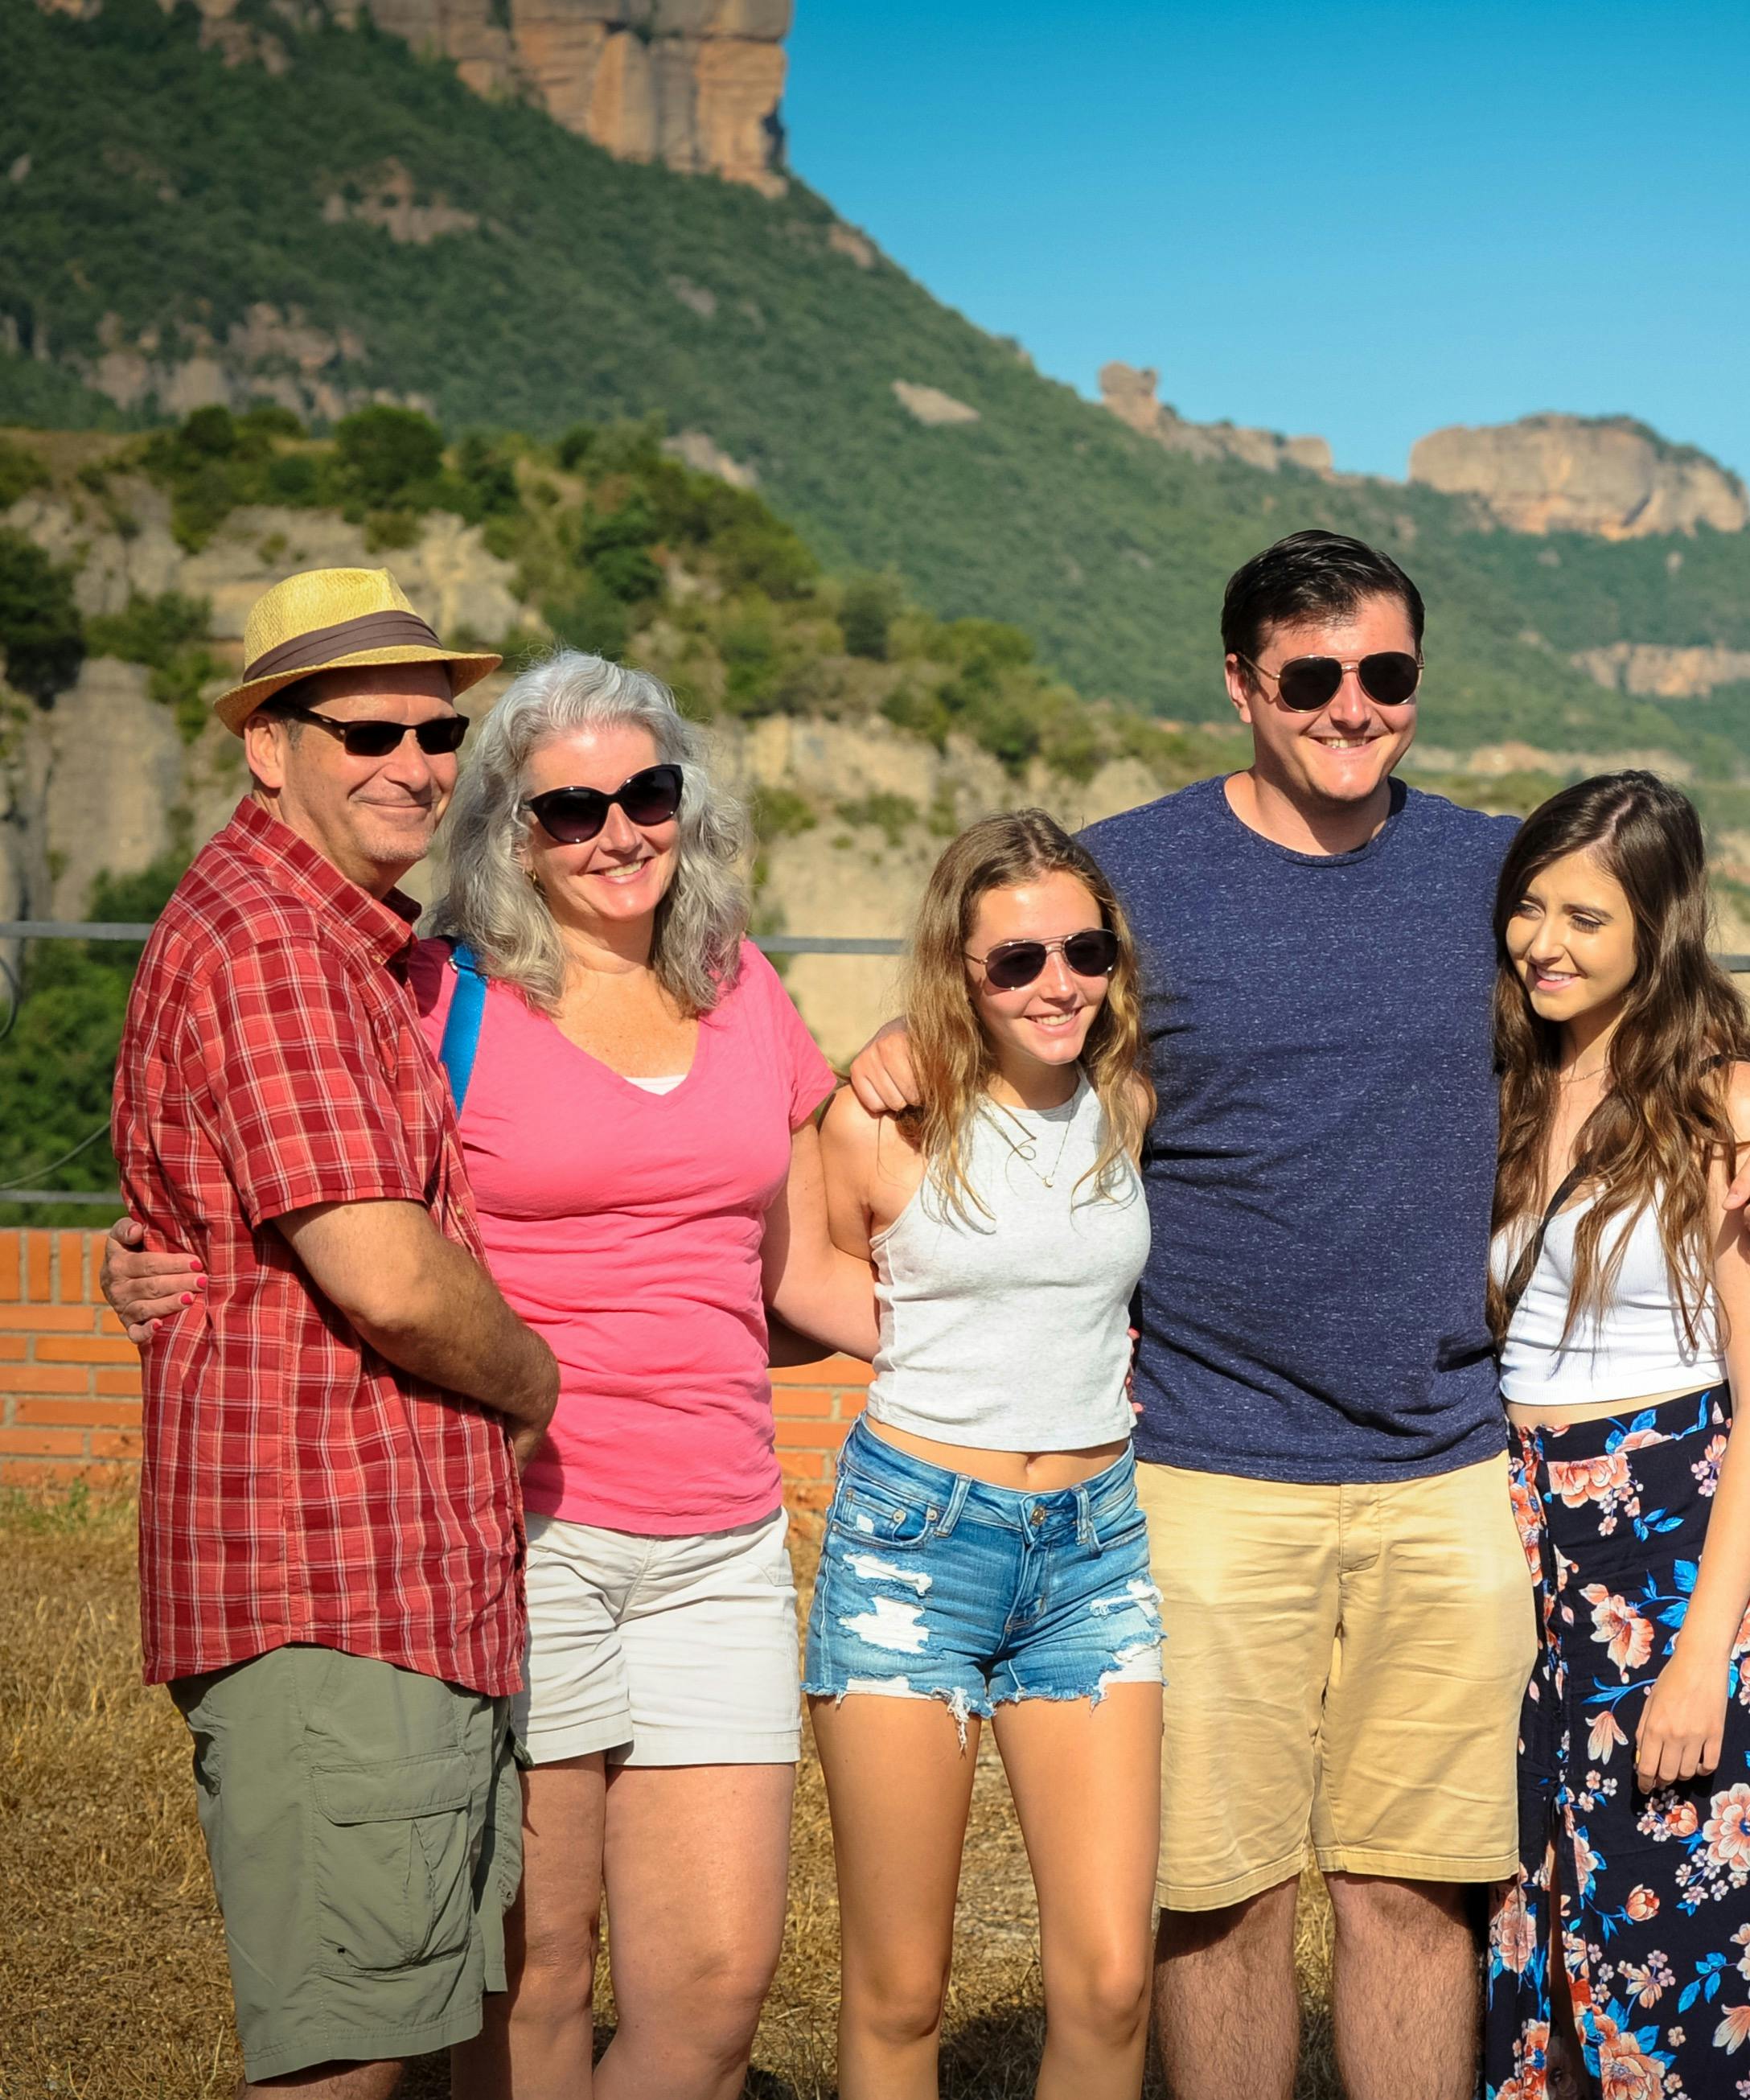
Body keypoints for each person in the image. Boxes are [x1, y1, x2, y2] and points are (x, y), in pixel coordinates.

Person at [846, 530, 1750, 2100]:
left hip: (1451, 1474)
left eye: (1385, 672)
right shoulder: (1130, 881)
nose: (1351, 705)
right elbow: (1001, 996)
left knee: (1420, 1892)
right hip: (1203, 1471)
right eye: (1310, 676)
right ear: (1241, 685)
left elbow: (1650, 995)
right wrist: (897, 1049)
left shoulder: (1492, 876)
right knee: (1215, 1898)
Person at [110, 649, 851, 2100]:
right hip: (522, 1532)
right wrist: (154, 1251)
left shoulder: (742, 985)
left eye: (647, 794)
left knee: (715, 1994)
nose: (617, 833)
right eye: (571, 809)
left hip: (722, 1542)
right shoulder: (434, 994)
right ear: (511, 831)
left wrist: (1059, 1321)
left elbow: (802, 1274)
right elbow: (284, 1163)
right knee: (535, 1983)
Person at [109, 566, 557, 2098]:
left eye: (438, 733)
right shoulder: (279, 953)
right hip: (332, 1578)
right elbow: (385, 1275)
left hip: (376, 1578)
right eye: (367, 732)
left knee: (398, 2018)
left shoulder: (337, 939)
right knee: (350, 2051)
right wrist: (532, 1383)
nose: (414, 765)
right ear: (267, 744)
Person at [797, 810, 1164, 2100]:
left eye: (1084, 950)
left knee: (1113, 1984)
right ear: (958, 969)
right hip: (914, 1552)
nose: (1058, 983)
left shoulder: (1127, 1102)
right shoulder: (879, 1120)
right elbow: (796, 1277)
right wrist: (934, 1340)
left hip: (1095, 1555)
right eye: (1016, 959)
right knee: (901, 1991)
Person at [1481, 772, 1750, 2100]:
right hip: (1525, 1557)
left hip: (1681, 1562)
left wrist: (1696, 1665)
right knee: (1540, 1951)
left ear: (1656, 928)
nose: (1545, 943)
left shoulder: (1722, 1104)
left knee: (1686, 1974)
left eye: (1586, 918)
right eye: (1529, 907)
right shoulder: (1512, 1077)